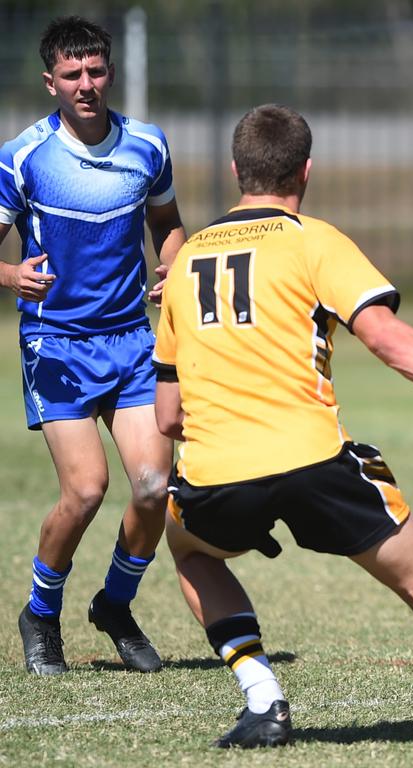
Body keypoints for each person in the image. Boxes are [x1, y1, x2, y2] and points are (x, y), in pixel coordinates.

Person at [153, 104, 413, 751]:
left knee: (188, 550)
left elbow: (166, 414)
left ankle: (263, 698)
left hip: (216, 471)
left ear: (237, 170)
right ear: (307, 171)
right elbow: (388, 341)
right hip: (316, 460)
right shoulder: (314, 241)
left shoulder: (183, 266)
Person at [0, 16, 185, 675]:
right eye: (72, 74)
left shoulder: (146, 145)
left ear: (110, 72)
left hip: (132, 341)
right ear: (50, 81)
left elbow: (166, 222)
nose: (86, 84)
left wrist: (176, 262)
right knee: (85, 491)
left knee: (152, 485)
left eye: (96, 71)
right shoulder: (23, 156)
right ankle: (40, 613)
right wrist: (10, 274)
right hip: (57, 345)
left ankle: (114, 604)